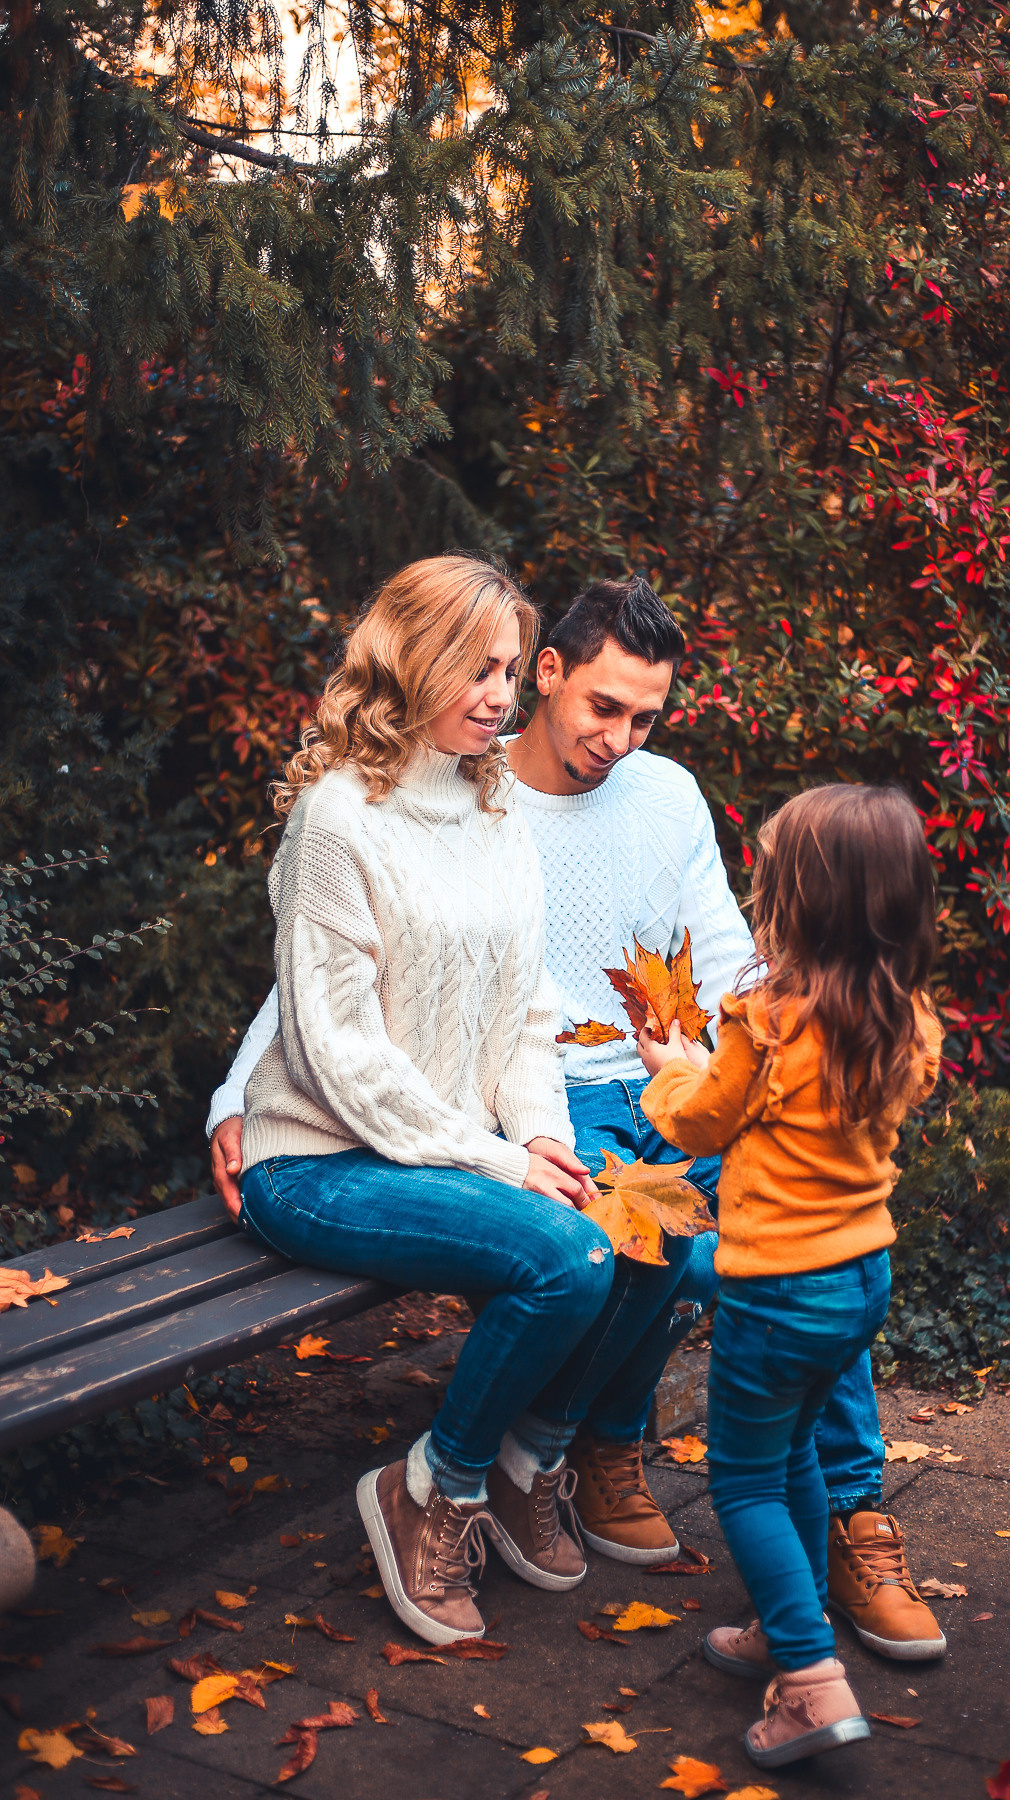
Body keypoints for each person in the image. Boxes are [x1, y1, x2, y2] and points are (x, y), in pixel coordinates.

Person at [209, 577, 944, 1658]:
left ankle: (844, 1515)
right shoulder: (403, 802)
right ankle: (543, 1455)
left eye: (645, 717)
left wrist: (759, 1063)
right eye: (600, 706)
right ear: (546, 672)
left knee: (782, 1249)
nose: (619, 737)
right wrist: (238, 1095)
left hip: (629, 1089)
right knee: (640, 1236)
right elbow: (320, 999)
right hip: (466, 1120)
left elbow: (638, 974)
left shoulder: (593, 797)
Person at [233, 555, 622, 1648]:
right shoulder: (337, 819)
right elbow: (339, 1058)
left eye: (511, 668)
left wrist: (541, 1130)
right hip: (315, 1162)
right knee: (568, 1260)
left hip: (435, 1152)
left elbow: (525, 1015)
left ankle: (519, 1463)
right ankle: (430, 1492)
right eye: (480, 668)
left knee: (630, 1241)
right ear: (416, 661)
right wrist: (499, 1159)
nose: (505, 695)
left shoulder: (495, 805)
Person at [635, 784, 944, 1767]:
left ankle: (809, 1678)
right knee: (803, 1447)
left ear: (798, 901)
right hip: (860, 1281)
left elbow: (695, 1122)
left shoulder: (764, 1018)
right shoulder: (905, 1017)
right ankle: (790, 1611)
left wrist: (668, 1060)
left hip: (774, 1292)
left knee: (746, 1484)